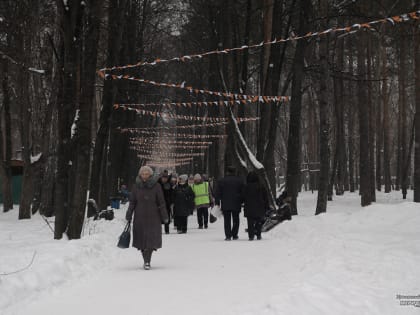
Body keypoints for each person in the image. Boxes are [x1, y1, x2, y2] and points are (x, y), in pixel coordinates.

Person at [126, 166, 169, 270]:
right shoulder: (136, 186)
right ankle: (145, 259)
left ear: (150, 175)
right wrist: (129, 214)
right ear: (140, 175)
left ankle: (147, 261)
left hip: (153, 217)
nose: (145, 176)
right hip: (139, 217)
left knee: (150, 240)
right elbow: (132, 202)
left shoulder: (157, 186)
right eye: (143, 174)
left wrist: (165, 216)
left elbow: (161, 203)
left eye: (147, 174)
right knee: (141, 240)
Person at [214, 166, 244, 241]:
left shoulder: (222, 181)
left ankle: (228, 235)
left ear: (227, 172)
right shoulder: (239, 181)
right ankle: (234, 234)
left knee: (227, 220)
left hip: (225, 203)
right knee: (236, 219)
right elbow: (243, 193)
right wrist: (242, 201)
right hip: (236, 203)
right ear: (234, 172)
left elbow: (217, 193)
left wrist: (217, 203)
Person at [243, 171, 268, 240]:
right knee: (258, 221)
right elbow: (265, 197)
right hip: (259, 206)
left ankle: (251, 235)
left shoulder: (246, 187)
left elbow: (243, 196)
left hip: (249, 206)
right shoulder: (261, 186)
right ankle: (258, 234)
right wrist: (266, 206)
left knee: (250, 222)